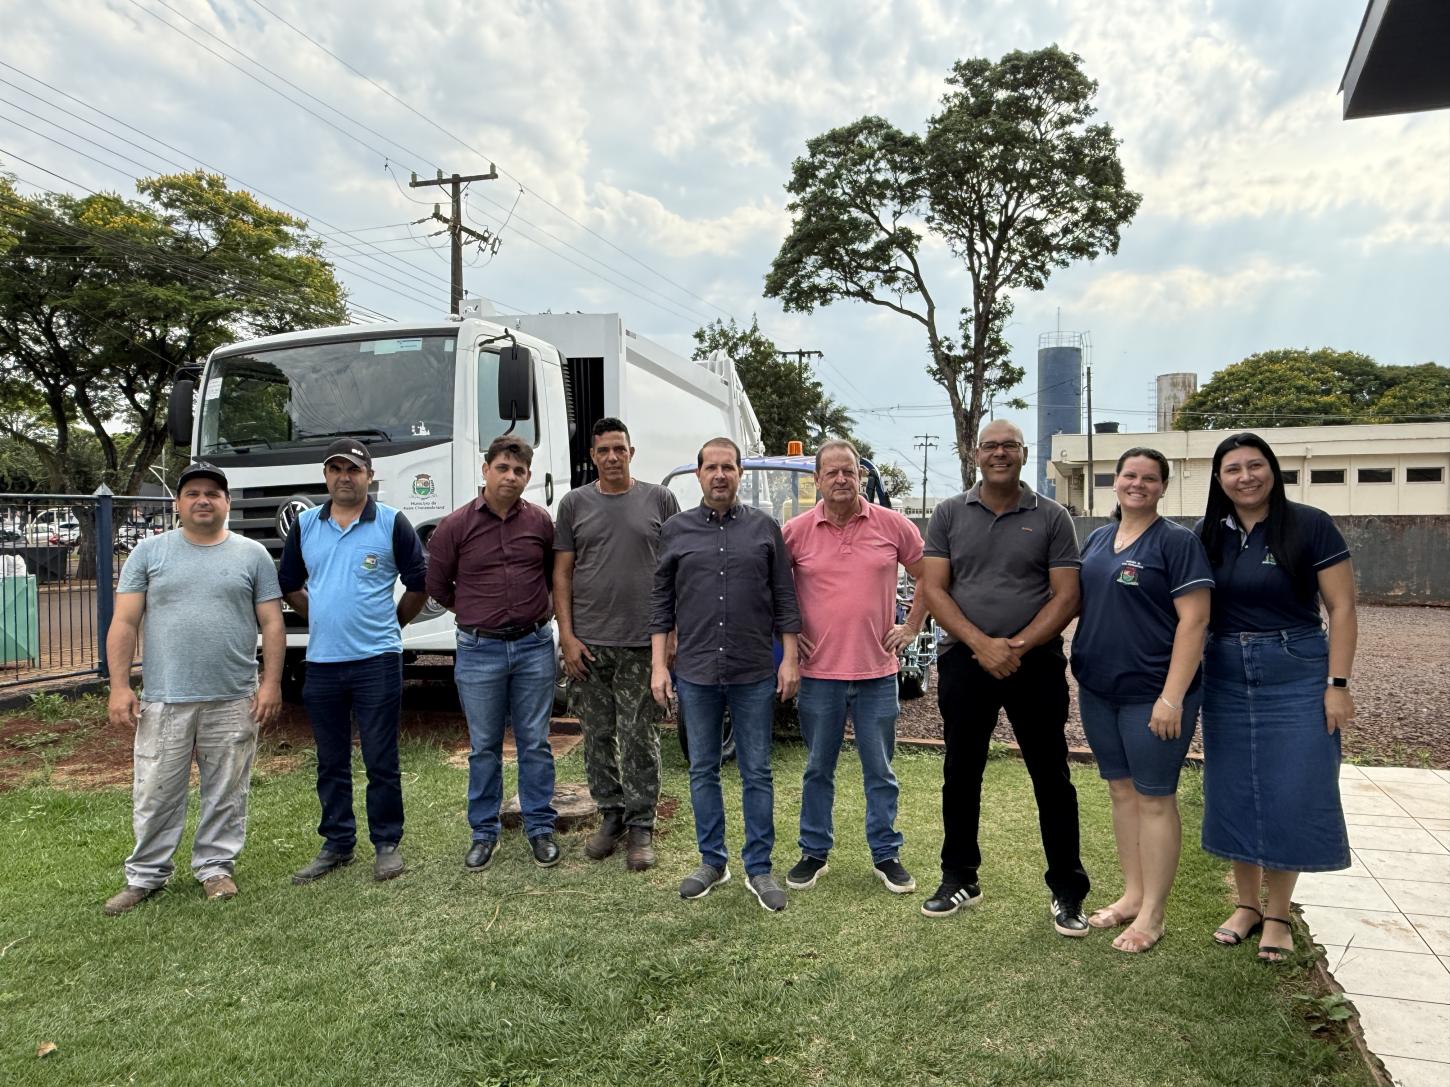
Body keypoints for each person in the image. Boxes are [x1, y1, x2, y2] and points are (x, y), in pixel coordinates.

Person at [918, 419, 1090, 934]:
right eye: (990, 446)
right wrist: (981, 644)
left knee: (1051, 776)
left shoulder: (1053, 516)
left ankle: (1067, 888)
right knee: (961, 771)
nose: (999, 454)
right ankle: (959, 877)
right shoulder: (948, 513)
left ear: (1022, 452)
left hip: (1034, 664)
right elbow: (934, 590)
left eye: (1008, 446)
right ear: (975, 454)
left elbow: (1067, 595)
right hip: (965, 661)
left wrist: (1015, 646)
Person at [1196, 432, 1357, 963]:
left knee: (1292, 786)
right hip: (1223, 671)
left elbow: (1343, 609)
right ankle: (1245, 906)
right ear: (1219, 479)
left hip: (1296, 670)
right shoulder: (1207, 535)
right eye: (1232, 469)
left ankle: (1279, 912)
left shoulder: (1309, 524)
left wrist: (1337, 685)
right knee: (1235, 786)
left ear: (1272, 470)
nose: (1245, 477)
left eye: (1255, 465)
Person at [102, 462, 285, 915]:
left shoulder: (252, 555)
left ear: (227, 503)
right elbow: (124, 621)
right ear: (177, 504)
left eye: (213, 493)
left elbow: (272, 622)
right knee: (156, 789)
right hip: (165, 697)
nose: (203, 500)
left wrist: (271, 683)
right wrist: (120, 685)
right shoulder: (149, 553)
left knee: (227, 787)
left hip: (234, 696)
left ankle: (215, 868)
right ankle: (145, 876)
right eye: (193, 493)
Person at [1070, 448, 1213, 952]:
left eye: (1149, 478)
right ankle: (1132, 896)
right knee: (1121, 792)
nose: (1138, 484)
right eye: (1129, 474)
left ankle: (1153, 914)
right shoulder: (1099, 539)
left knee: (1155, 799)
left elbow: (1194, 622)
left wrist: (1171, 698)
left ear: (1162, 487)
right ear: (1115, 481)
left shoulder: (1177, 543)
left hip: (1153, 695)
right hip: (1099, 691)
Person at [650, 436, 801, 912]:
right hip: (695, 671)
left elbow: (784, 598)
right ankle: (712, 861)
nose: (720, 475)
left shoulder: (764, 529)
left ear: (740, 474)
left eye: (728, 467)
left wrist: (791, 659)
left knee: (757, 771)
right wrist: (659, 664)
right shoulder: (675, 530)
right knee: (703, 770)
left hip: (754, 669)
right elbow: (660, 603)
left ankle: (759, 868)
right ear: (698, 475)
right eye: (711, 467)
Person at [280, 438, 429, 884]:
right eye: (336, 469)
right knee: (331, 759)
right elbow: (289, 582)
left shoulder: (390, 522)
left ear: (369, 475)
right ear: (326, 476)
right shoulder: (306, 525)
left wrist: (392, 625)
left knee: (381, 757)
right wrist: (322, 617)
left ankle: (386, 843)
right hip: (324, 662)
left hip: (377, 660)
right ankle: (338, 843)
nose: (345, 476)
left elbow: (419, 582)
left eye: (354, 469)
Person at [781, 439, 927, 895]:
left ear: (861, 477)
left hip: (877, 673)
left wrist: (912, 628)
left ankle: (886, 854)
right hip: (819, 673)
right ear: (818, 480)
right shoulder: (796, 532)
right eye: (833, 473)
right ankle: (813, 852)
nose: (842, 479)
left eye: (850, 472)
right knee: (817, 769)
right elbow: (771, 588)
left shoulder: (893, 526)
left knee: (880, 771)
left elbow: (931, 577)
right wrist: (785, 632)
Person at [428, 435, 560, 871]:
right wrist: (473, 612)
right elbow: (437, 585)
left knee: (535, 743)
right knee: (484, 747)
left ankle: (540, 827)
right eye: (503, 467)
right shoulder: (455, 526)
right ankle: (484, 832)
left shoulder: (540, 522)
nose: (511, 476)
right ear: (485, 471)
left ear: (527, 477)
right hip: (479, 649)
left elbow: (550, 576)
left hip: (534, 646)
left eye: (519, 470)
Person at [555, 418, 680, 871]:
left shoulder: (660, 500)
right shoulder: (574, 505)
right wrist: (567, 637)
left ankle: (642, 823)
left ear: (632, 452)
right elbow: (562, 573)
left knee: (640, 735)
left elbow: (675, 571)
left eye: (619, 449)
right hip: (589, 645)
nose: (612, 457)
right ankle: (610, 815)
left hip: (642, 642)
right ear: (593, 456)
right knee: (598, 736)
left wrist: (672, 637)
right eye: (603, 450)